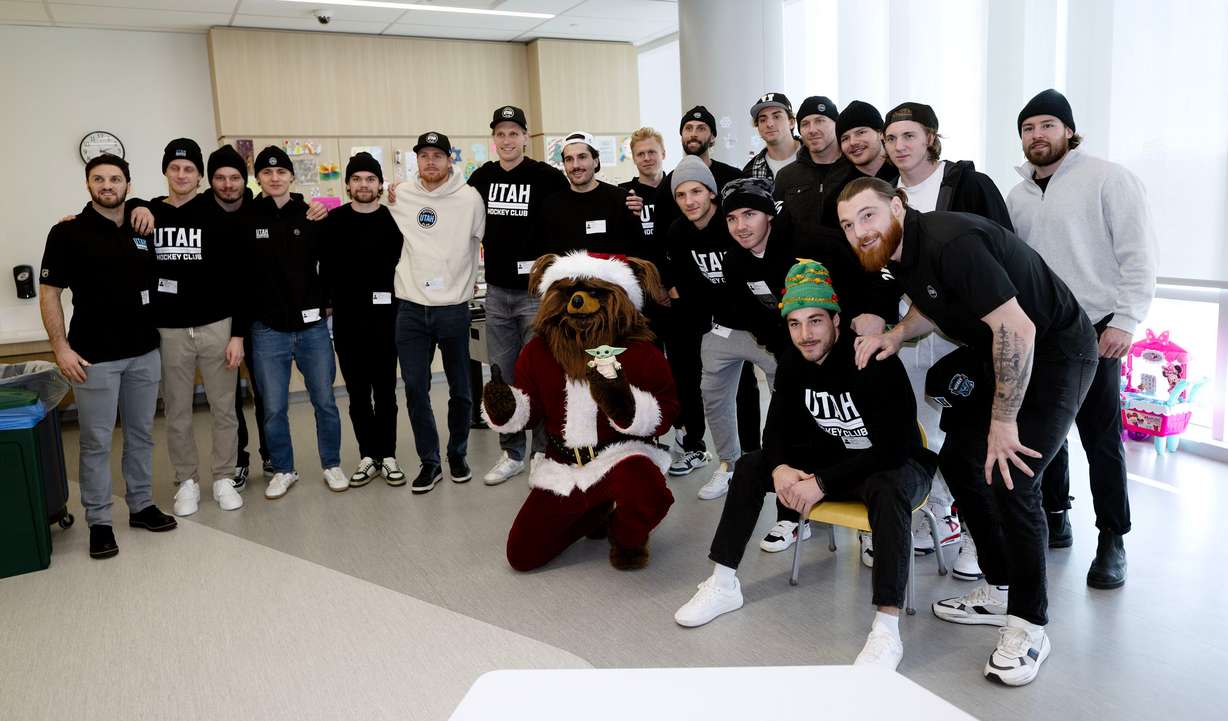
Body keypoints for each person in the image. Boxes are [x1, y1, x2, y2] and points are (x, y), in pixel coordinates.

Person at [839, 177, 1097, 686]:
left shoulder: (951, 242)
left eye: (867, 216)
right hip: (1000, 352)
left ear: (897, 206)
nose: (859, 232)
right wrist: (895, 334)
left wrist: (1003, 423)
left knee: (1013, 475)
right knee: (959, 460)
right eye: (848, 224)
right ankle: (999, 586)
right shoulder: (903, 250)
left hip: (1055, 354)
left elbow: (1017, 329)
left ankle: (1029, 624)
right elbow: (930, 306)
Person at [674, 260, 936, 671]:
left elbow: (896, 447)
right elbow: (775, 428)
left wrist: (822, 483)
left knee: (888, 488)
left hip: (895, 467)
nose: (805, 334)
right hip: (832, 464)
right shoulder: (794, 362)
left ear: (836, 320)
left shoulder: (873, 360)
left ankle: (886, 629)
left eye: (815, 321)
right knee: (749, 466)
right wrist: (778, 467)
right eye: (795, 324)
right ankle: (723, 583)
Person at [1007, 89, 1157, 589]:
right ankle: (1056, 516)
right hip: (1040, 332)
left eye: (1048, 125)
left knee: (1101, 440)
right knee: (1044, 436)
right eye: (1028, 128)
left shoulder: (1108, 179)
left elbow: (1139, 255)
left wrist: (1127, 320)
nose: (1038, 135)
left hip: (1096, 329)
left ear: (1069, 130)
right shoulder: (1019, 195)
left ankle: (1113, 538)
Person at [881, 101, 1014, 574]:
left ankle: (981, 532)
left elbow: (1004, 250)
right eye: (891, 138)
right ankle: (937, 515)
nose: (899, 146)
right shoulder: (887, 195)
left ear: (931, 138)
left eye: (909, 136)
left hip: (974, 332)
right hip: (914, 326)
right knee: (922, 426)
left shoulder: (968, 185)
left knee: (969, 436)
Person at [40, 154, 177, 559]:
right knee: (96, 441)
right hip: (92, 357)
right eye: (98, 179)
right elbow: (50, 293)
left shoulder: (141, 226)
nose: (107, 185)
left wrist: (144, 209)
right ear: (88, 185)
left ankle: (140, 505)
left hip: (143, 351)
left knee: (141, 435)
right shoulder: (67, 233)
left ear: (128, 186)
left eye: (115, 179)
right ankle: (99, 522)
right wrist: (60, 348)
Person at [467, 105, 568, 485]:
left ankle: (541, 453)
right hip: (496, 294)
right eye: (501, 134)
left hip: (535, 295)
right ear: (494, 140)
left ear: (526, 137)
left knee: (539, 374)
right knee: (503, 377)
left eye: (514, 133)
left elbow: (576, 203)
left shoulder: (546, 177)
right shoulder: (481, 177)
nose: (507, 140)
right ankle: (511, 453)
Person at [665, 158, 777, 502]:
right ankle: (729, 464)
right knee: (713, 397)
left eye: (696, 191)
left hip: (764, 327)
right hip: (722, 328)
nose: (690, 201)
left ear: (711, 192)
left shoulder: (734, 223)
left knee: (786, 396)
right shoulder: (678, 232)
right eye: (681, 194)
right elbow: (686, 286)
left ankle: (777, 462)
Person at [241, 145, 346, 499]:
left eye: (281, 172)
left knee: (325, 402)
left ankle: (331, 464)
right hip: (267, 330)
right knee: (273, 408)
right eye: (267, 173)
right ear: (258, 179)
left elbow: (330, 264)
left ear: (291, 176)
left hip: (312, 329)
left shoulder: (311, 215)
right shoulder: (247, 216)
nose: (274, 178)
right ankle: (283, 469)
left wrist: (327, 303)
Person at [147, 138, 245, 516]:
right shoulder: (149, 213)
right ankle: (186, 481)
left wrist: (237, 334)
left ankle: (222, 478)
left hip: (216, 325)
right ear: (166, 172)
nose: (182, 174)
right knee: (177, 411)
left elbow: (239, 280)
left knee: (224, 408)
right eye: (175, 168)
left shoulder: (219, 215)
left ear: (200, 176)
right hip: (170, 330)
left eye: (189, 169)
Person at [388, 131, 486, 492]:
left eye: (437, 155)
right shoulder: (400, 195)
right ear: (417, 160)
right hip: (411, 310)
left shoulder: (469, 199)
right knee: (415, 388)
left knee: (461, 389)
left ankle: (457, 453)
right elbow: (364, 198)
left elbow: (482, 240)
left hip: (453, 310)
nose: (430, 161)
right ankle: (429, 462)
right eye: (424, 155)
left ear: (449, 160)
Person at [321, 152, 406, 488]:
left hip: (387, 320)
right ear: (348, 185)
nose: (364, 184)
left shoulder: (393, 220)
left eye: (370, 179)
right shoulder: (334, 221)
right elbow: (325, 268)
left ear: (380, 184)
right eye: (357, 179)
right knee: (357, 393)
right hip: (348, 322)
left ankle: (388, 455)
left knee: (385, 391)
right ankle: (367, 455)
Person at [538, 131, 648, 260]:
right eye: (569, 159)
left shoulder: (622, 201)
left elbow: (637, 255)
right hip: (566, 280)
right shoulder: (551, 206)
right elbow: (546, 257)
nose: (575, 165)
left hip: (612, 280)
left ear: (595, 161)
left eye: (582, 157)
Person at [773, 95, 843, 242]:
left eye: (820, 121)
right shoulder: (786, 176)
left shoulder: (856, 170)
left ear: (836, 124)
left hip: (850, 262)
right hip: (801, 264)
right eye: (805, 124)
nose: (812, 130)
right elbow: (778, 231)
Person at [619, 127, 667, 240]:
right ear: (634, 159)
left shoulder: (678, 189)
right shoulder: (623, 193)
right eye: (640, 154)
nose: (647, 158)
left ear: (663, 154)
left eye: (651, 152)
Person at [743, 92, 801, 180]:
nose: (769, 124)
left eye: (777, 117)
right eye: (763, 120)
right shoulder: (750, 172)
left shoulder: (815, 155)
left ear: (791, 123)